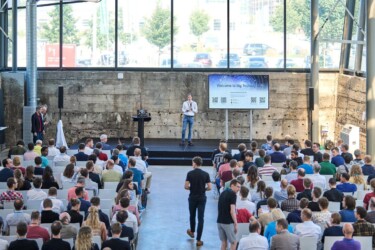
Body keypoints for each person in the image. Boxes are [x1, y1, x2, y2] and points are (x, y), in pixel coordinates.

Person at [184, 156, 211, 246]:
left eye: (192, 163)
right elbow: (210, 187)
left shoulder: (190, 173)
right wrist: (203, 189)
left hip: (192, 198)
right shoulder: (206, 174)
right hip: (202, 198)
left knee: (192, 215)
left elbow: (186, 186)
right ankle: (199, 240)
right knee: (201, 218)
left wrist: (193, 188)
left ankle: (192, 231)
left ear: (195, 163)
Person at [217, 179, 240, 250]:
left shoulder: (222, 193)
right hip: (228, 222)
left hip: (219, 221)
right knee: (234, 242)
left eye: (239, 187)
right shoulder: (233, 194)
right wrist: (236, 224)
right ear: (232, 185)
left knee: (224, 243)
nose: (239, 189)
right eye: (237, 187)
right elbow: (232, 211)